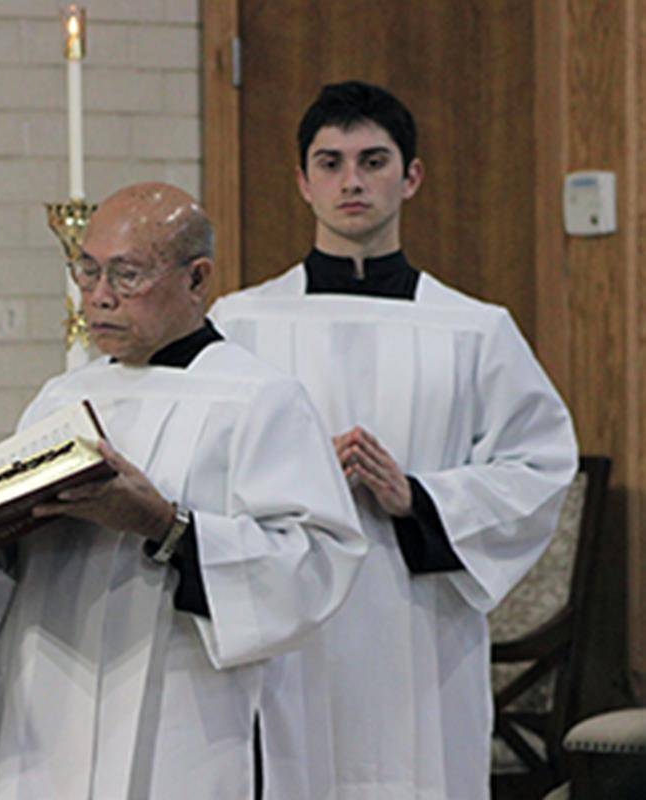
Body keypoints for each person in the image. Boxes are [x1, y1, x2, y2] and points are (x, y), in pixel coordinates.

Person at [0, 183, 367, 799]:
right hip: (49, 725)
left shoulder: (259, 400)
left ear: (197, 281)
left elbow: (313, 567)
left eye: (127, 274)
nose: (98, 296)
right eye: (87, 270)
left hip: (191, 725)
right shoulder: (59, 401)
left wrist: (165, 526)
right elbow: (5, 572)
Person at [210, 80, 579, 799]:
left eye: (373, 160)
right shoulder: (240, 325)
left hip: (419, 630)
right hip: (289, 633)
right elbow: (200, 468)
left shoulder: (474, 330)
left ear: (410, 177)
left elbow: (539, 467)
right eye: (329, 162)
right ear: (302, 182)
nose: (351, 180)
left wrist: (418, 497)